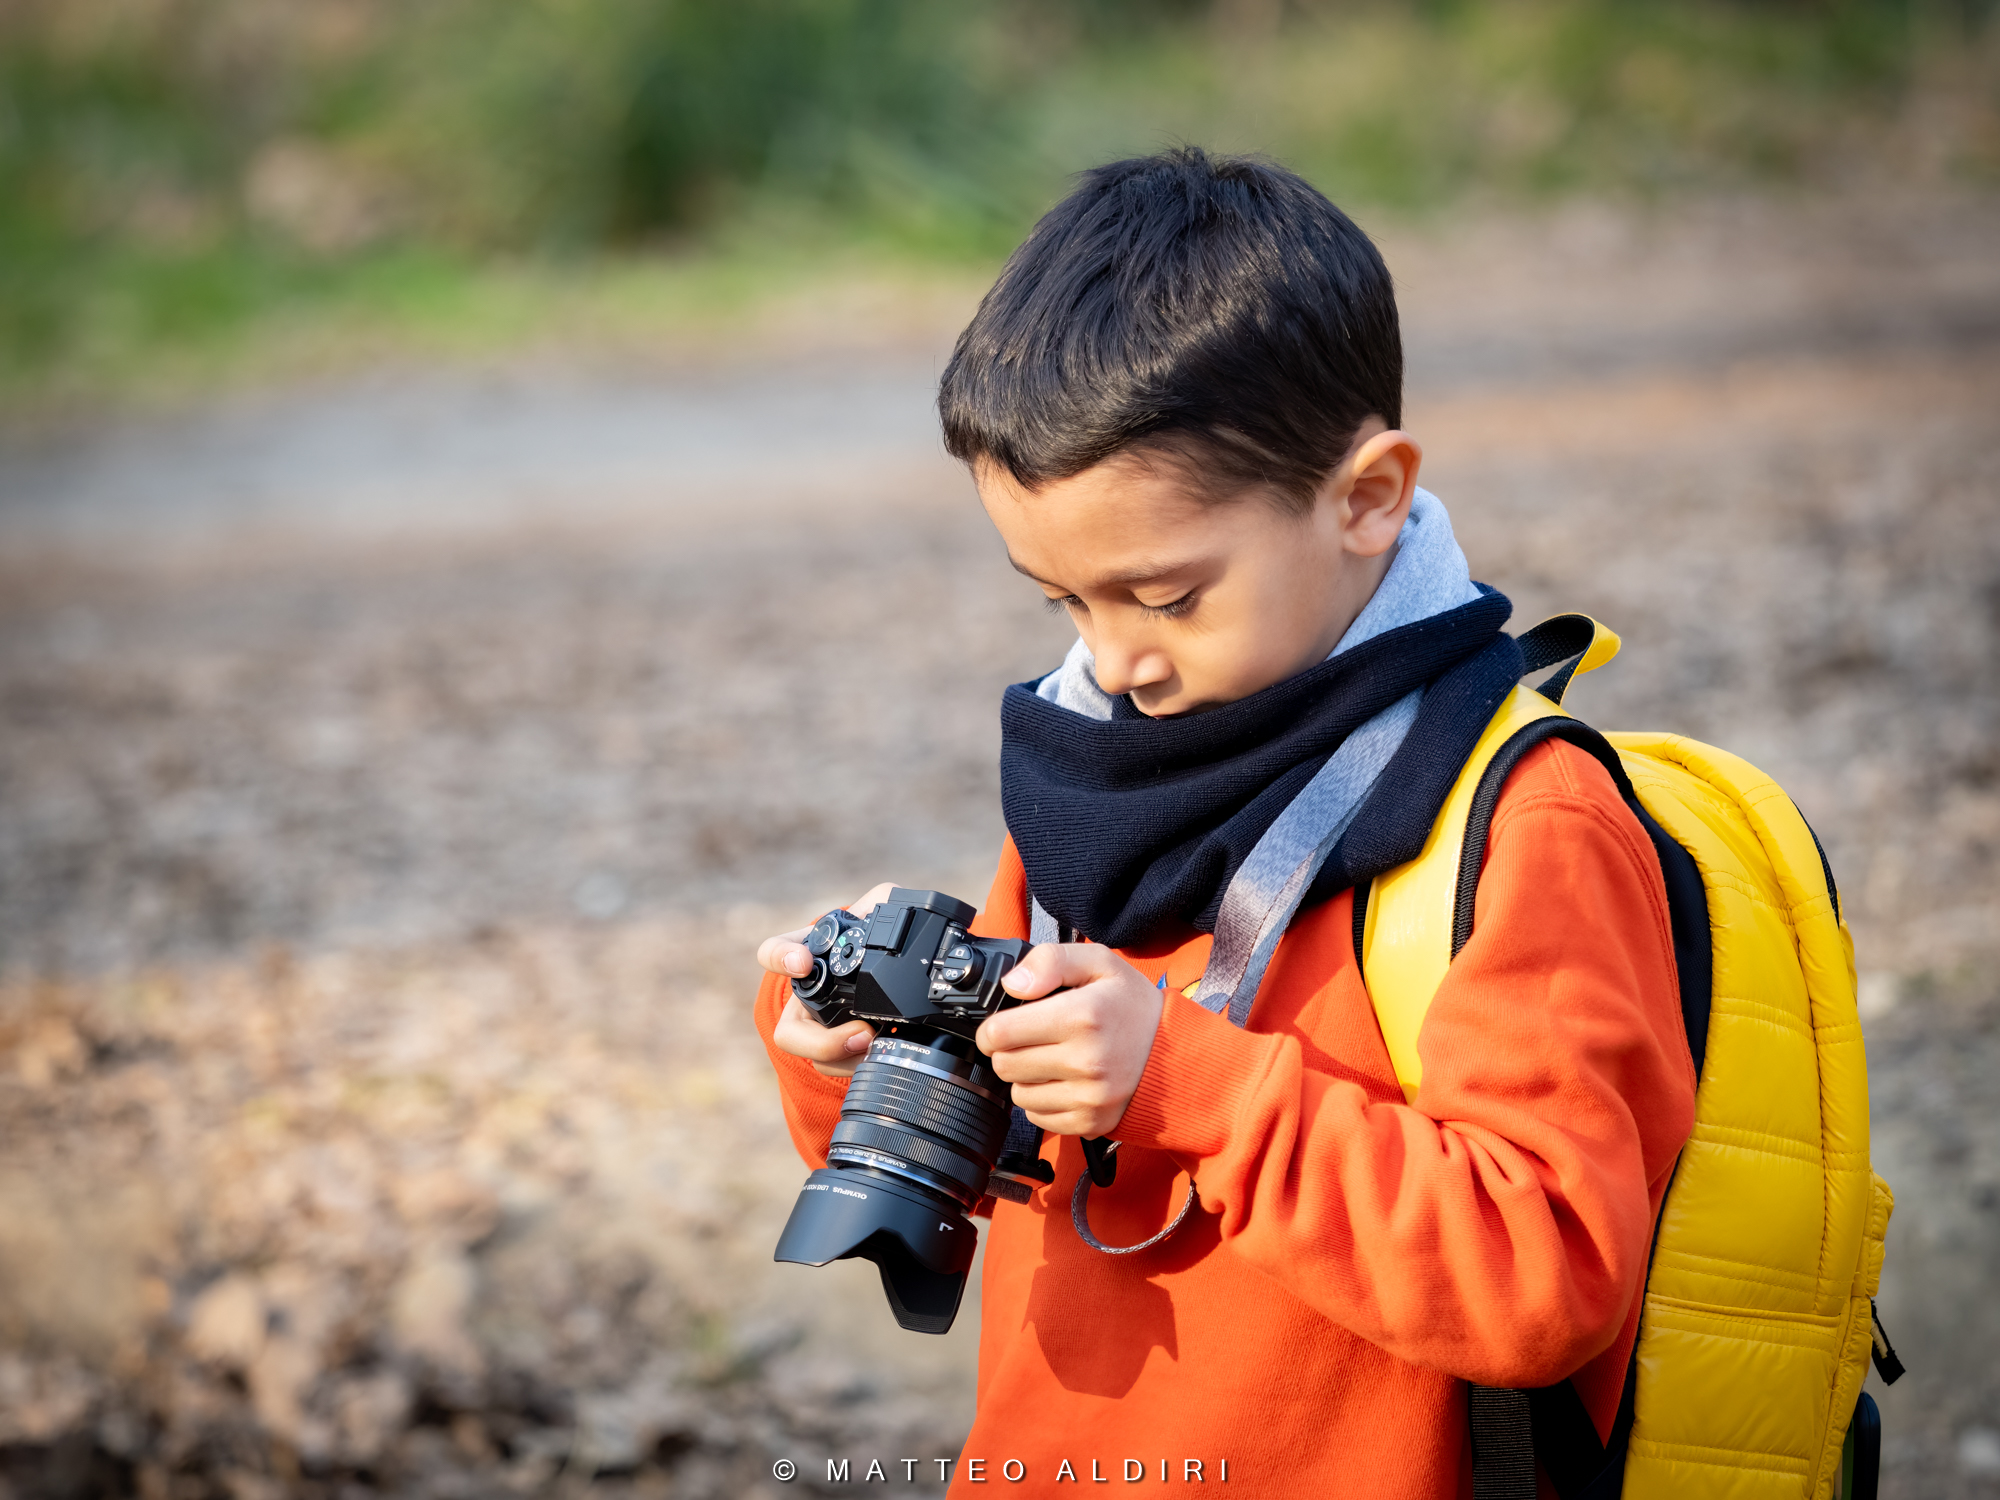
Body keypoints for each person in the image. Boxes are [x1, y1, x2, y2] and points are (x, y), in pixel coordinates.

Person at [752, 147, 1696, 1497]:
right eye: (1062, 603)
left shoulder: (1526, 822)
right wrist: (852, 1062)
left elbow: (1544, 1281)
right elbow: (997, 1163)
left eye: (1168, 597)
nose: (1119, 663)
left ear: (1367, 498)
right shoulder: (1093, 780)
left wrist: (1193, 1088)